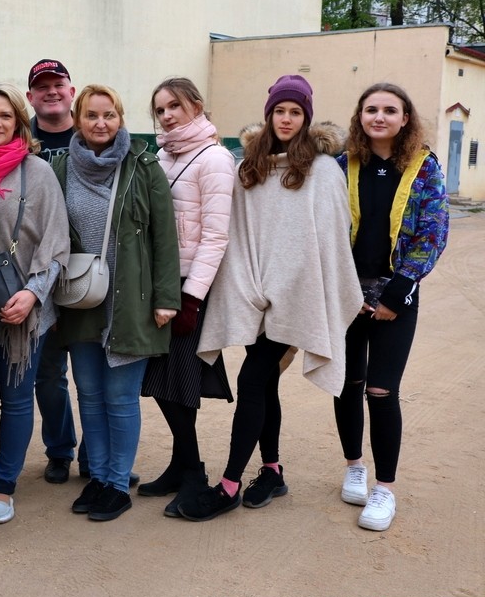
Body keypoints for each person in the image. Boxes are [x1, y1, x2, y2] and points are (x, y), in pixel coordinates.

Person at [181, 75, 363, 522]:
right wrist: (251, 289)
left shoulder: (321, 171)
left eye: (295, 112)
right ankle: (272, 470)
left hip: (297, 296)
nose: (286, 119)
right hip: (252, 294)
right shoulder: (252, 166)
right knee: (265, 384)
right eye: (280, 111)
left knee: (251, 380)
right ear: (269, 114)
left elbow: (328, 241)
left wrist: (287, 288)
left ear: (306, 117)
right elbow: (239, 237)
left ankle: (227, 484)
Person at [51, 83, 180, 521]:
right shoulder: (63, 168)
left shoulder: (144, 167)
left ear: (121, 119)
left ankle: (117, 481)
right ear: (78, 119)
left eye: (109, 115)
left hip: (131, 301)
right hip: (81, 298)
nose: (101, 123)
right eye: (92, 116)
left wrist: (167, 298)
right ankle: (101, 478)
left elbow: (166, 238)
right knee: (88, 394)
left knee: (120, 397)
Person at [333, 82, 449, 532]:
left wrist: (396, 291)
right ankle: (353, 466)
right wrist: (349, 291)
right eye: (371, 109)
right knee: (347, 384)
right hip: (347, 293)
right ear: (360, 117)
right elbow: (325, 228)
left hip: (396, 295)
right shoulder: (343, 165)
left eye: (389, 110)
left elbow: (433, 231)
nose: (379, 117)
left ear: (405, 118)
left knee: (380, 390)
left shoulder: (423, 168)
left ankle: (384, 489)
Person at [0, 81, 70, 525]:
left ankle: (5, 485)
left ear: (19, 124)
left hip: (22, 308)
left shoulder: (37, 172)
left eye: (5, 116)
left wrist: (32, 295)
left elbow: (56, 242)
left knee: (19, 400)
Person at [138, 78, 236, 517]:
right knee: (161, 380)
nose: (167, 115)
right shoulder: (162, 155)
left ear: (196, 105)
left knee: (179, 379)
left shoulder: (214, 158)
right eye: (159, 110)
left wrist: (192, 299)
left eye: (174, 105)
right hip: (162, 283)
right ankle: (183, 463)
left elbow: (216, 236)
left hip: (188, 287)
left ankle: (194, 473)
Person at [25, 59, 83, 484]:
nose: (51, 91)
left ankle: (101, 459)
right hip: (39, 274)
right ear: (31, 97)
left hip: (88, 274)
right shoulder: (17, 139)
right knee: (48, 375)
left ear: (71, 90)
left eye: (57, 84)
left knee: (95, 375)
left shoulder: (95, 135)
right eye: (42, 86)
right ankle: (60, 450)